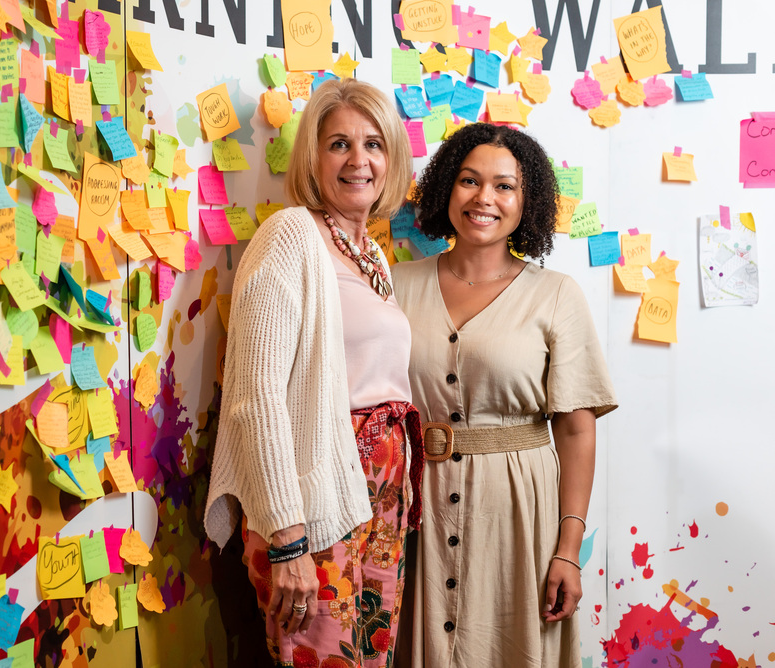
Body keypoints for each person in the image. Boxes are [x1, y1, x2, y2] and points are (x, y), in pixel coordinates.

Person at [205, 78, 421, 667]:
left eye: (374, 144)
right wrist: (287, 536)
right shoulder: (290, 237)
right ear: (312, 157)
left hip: (377, 501)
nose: (359, 160)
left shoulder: (372, 254)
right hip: (311, 503)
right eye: (339, 144)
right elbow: (256, 398)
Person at [393, 123, 617, 667]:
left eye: (504, 186)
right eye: (469, 180)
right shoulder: (393, 284)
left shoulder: (557, 294)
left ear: (527, 201)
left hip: (518, 514)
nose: (484, 198)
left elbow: (576, 428)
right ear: (447, 187)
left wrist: (568, 550)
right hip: (413, 506)